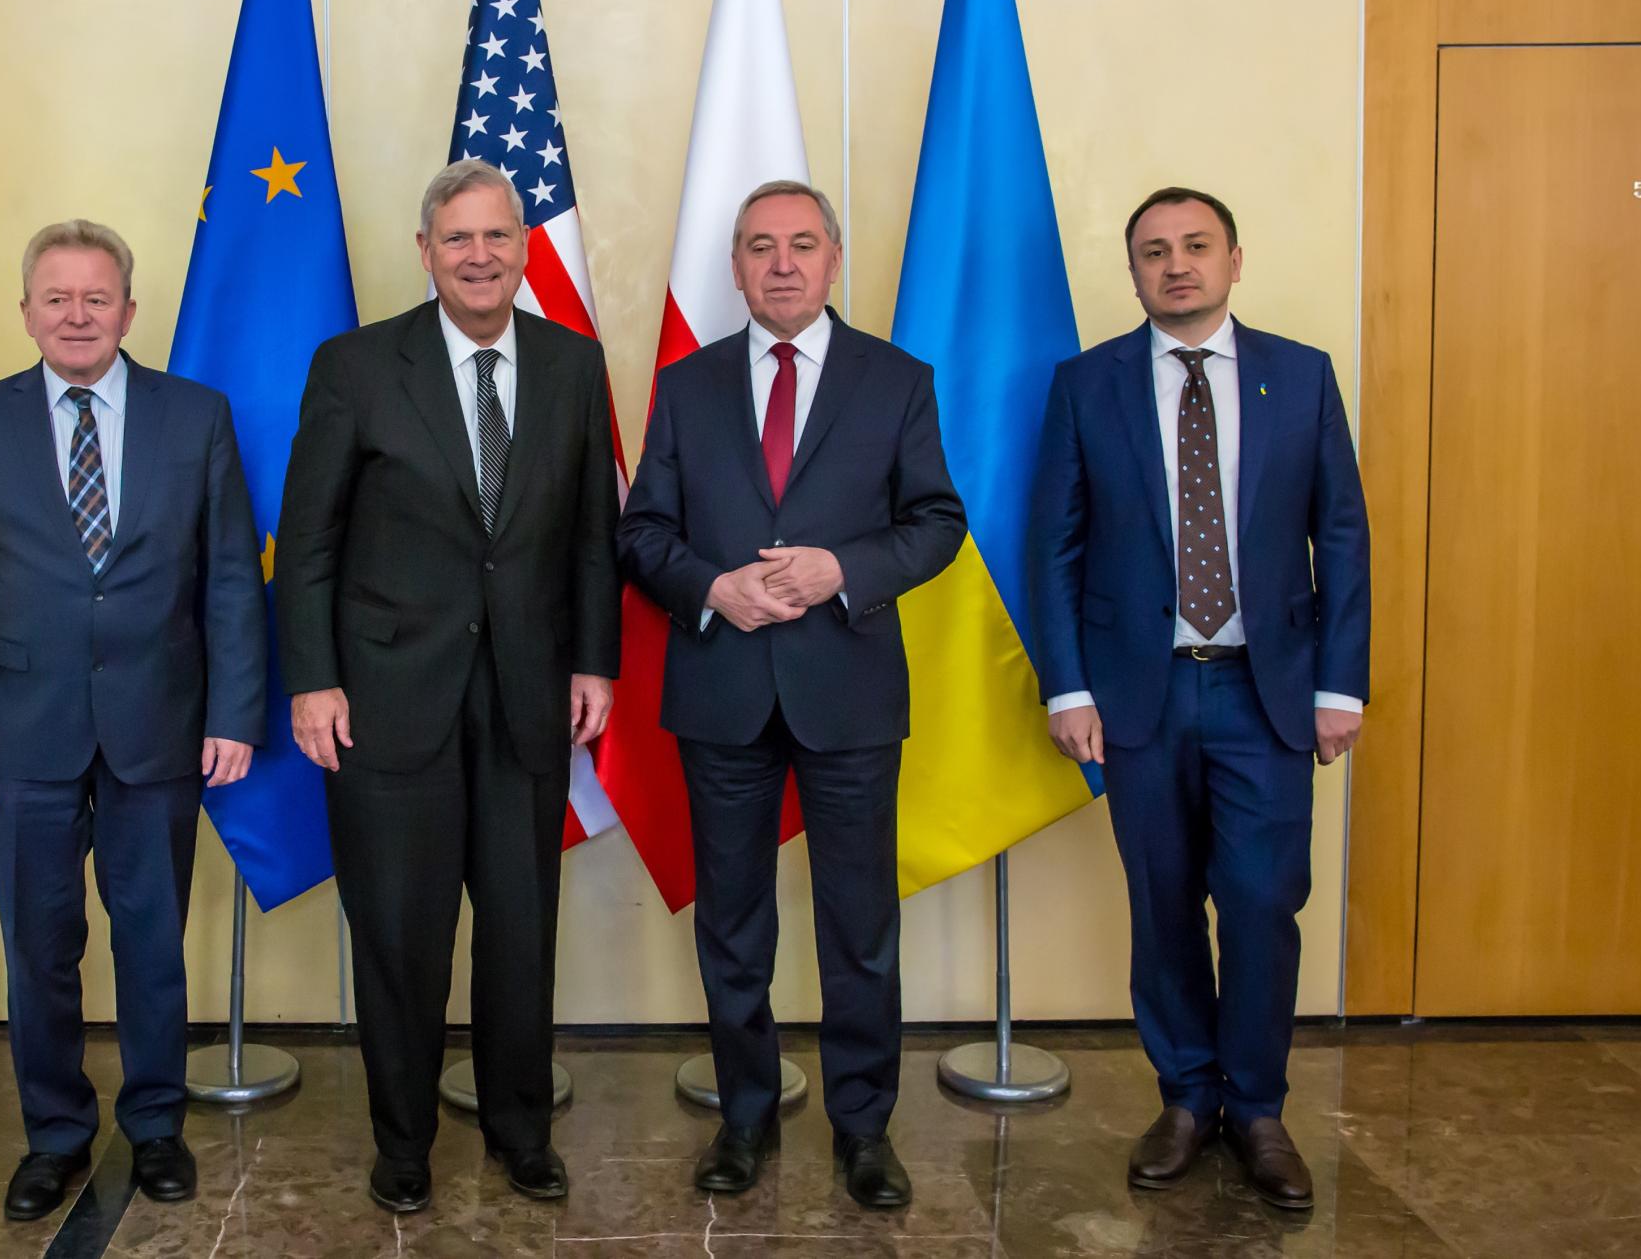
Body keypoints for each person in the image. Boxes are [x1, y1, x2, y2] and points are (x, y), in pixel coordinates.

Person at [274, 159, 621, 1214]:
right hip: (385, 702)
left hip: (525, 697)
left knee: (520, 932)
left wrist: (594, 659)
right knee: (401, 936)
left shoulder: (571, 362)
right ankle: (404, 1142)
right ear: (425, 251)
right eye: (457, 239)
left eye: (496, 237)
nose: (479, 256)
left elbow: (592, 540)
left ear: (524, 248)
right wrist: (314, 681)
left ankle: (521, 1131)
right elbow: (310, 542)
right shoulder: (356, 366)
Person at [617, 180, 966, 1210]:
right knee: (732, 921)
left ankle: (864, 1128)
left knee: (858, 922)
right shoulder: (685, 387)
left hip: (847, 688)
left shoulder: (895, 380)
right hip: (722, 687)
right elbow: (642, 534)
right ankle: (745, 1115)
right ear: (734, 266)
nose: (781, 263)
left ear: (832, 258)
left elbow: (938, 522)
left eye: (801, 244)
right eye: (760, 246)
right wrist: (710, 588)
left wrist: (842, 572)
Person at [1025, 186, 1369, 1210]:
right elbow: (1054, 543)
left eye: (1195, 247)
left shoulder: (1298, 379)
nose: (1175, 265)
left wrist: (1339, 684)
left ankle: (1256, 1108)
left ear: (1232, 258)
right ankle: (1185, 1097)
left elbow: (1340, 537)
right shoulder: (1087, 385)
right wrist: (1067, 686)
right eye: (1153, 252)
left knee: (1263, 904)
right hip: (1140, 695)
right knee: (1162, 902)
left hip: (1268, 696)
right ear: (1131, 271)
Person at [0, 220, 267, 1222]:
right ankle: (56, 1136)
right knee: (40, 945)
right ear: (25, 310)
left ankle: (155, 1126)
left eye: (96, 297)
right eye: (56, 298)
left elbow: (235, 579)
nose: (77, 315)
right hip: (18, 735)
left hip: (159, 724)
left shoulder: (194, 415)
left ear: (129, 307)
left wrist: (235, 713)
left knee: (152, 937)